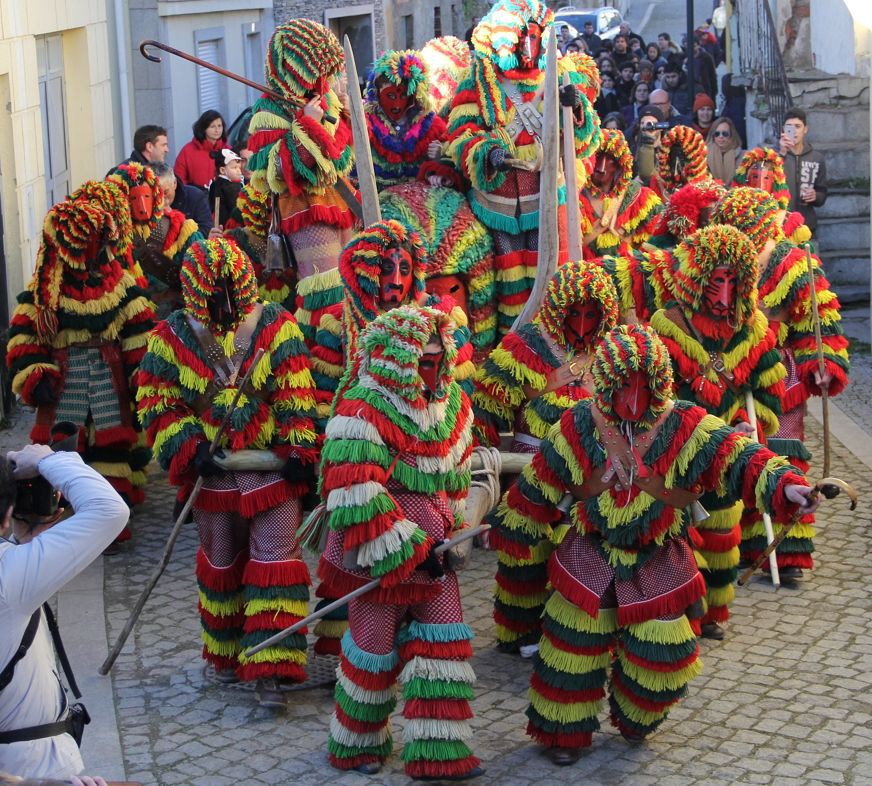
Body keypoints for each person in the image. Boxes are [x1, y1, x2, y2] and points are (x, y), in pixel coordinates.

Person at [490, 322, 818, 764]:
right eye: (625, 384)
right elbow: (540, 482)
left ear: (660, 382)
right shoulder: (578, 422)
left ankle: (636, 716)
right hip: (589, 547)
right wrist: (514, 528)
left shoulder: (687, 422)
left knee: (664, 654)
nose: (634, 397)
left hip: (658, 553)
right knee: (571, 650)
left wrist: (787, 485)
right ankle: (562, 735)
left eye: (645, 385)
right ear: (607, 381)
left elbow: (739, 455)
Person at [135, 237, 318, 708]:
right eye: (215, 298)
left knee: (276, 562)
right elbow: (158, 404)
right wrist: (186, 447)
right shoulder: (169, 339)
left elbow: (296, 389)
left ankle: (271, 667)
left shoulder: (277, 326)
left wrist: (299, 445)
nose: (226, 306)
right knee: (221, 562)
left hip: (272, 474)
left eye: (234, 296)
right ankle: (227, 652)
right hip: (213, 478)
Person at [318, 304, 484, 781]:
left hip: (436, 549)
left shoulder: (454, 405)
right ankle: (357, 744)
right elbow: (354, 493)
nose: (431, 373)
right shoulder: (362, 408)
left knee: (442, 641)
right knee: (372, 645)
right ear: (398, 359)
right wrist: (407, 550)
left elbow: (457, 473)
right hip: (378, 551)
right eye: (422, 362)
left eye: (437, 361)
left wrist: (454, 528)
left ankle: (439, 753)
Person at [649, 224, 789, 639]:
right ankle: (682, 609)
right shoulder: (668, 325)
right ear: (697, 278)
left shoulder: (753, 328)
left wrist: (755, 423)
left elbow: (769, 389)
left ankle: (713, 613)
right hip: (681, 449)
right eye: (717, 279)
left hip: (730, 443)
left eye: (733, 280)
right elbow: (658, 391)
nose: (724, 292)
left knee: (722, 531)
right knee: (681, 532)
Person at [473, 262, 619, 654]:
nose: (584, 322)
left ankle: (568, 627)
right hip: (531, 461)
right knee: (526, 547)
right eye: (575, 312)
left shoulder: (610, 349)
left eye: (592, 313)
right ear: (558, 308)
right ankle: (518, 631)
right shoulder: (523, 346)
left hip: (588, 469)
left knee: (578, 545)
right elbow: (487, 406)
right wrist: (484, 472)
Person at [712, 189, 849, 581]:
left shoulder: (796, 262)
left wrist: (824, 365)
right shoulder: (720, 260)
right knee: (742, 450)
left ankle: (788, 551)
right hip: (735, 366)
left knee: (786, 452)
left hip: (782, 371)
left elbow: (819, 323)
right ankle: (741, 542)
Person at [447, 0, 601, 337]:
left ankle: (559, 339)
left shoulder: (560, 74)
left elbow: (586, 139)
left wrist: (576, 112)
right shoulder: (478, 79)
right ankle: (514, 343)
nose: (529, 47)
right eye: (521, 39)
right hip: (498, 203)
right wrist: (487, 154)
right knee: (508, 279)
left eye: (534, 37)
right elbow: (460, 136)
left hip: (549, 194)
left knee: (556, 272)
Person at [5, 197, 155, 522]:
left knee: (110, 451)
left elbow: (138, 335)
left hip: (109, 384)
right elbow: (24, 339)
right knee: (60, 452)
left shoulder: (120, 286)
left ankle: (108, 519)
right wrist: (36, 376)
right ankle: (62, 515)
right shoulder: (41, 295)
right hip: (63, 388)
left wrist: (140, 381)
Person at [0, 443, 129, 778]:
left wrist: (23, 544)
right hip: (31, 768)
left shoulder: (12, 573)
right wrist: (50, 460)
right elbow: (109, 510)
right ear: (6, 514)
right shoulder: (9, 577)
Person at [246, 19, 358, 371]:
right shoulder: (267, 113)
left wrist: (341, 114)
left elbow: (341, 155)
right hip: (303, 208)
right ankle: (323, 371)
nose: (321, 80)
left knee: (352, 287)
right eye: (315, 72)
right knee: (323, 293)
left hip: (341, 204)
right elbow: (272, 173)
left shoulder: (325, 98)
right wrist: (306, 123)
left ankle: (354, 359)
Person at [107, 161, 203, 319]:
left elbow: (201, 276)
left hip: (175, 318)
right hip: (129, 320)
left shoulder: (184, 230)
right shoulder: (116, 235)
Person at [363, 50, 451, 189]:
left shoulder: (430, 125)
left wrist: (437, 160)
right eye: (390, 96)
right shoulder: (366, 122)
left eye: (403, 96)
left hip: (419, 196)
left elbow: (449, 164)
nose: (397, 105)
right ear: (377, 94)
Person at [580, 128, 662, 259]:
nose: (601, 167)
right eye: (598, 157)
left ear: (621, 165)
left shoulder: (639, 197)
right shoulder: (575, 196)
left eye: (610, 160)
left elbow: (650, 241)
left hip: (626, 272)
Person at [779, 107, 828, 239]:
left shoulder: (817, 158)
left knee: (809, 260)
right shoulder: (775, 157)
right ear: (783, 129)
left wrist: (816, 196)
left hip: (807, 226)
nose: (793, 131)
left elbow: (823, 193)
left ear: (805, 129)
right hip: (780, 226)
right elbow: (768, 183)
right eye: (789, 126)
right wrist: (782, 153)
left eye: (798, 126)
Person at [650, 124, 710, 200]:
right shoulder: (658, 183)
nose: (676, 172)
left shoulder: (708, 189)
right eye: (672, 161)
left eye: (683, 162)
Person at [174, 110, 227, 190]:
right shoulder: (188, 151)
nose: (217, 130)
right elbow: (179, 178)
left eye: (220, 126)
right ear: (203, 128)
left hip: (223, 199)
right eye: (212, 126)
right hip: (196, 198)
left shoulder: (228, 150)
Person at [208, 148, 244, 228]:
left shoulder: (215, 183)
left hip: (218, 224)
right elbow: (235, 208)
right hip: (229, 225)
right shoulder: (231, 187)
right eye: (234, 168)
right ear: (222, 170)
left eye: (239, 168)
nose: (239, 171)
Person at [706, 116, 743, 184]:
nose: (721, 136)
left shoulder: (742, 156)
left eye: (725, 134)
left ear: (731, 135)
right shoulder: (704, 155)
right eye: (717, 134)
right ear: (713, 136)